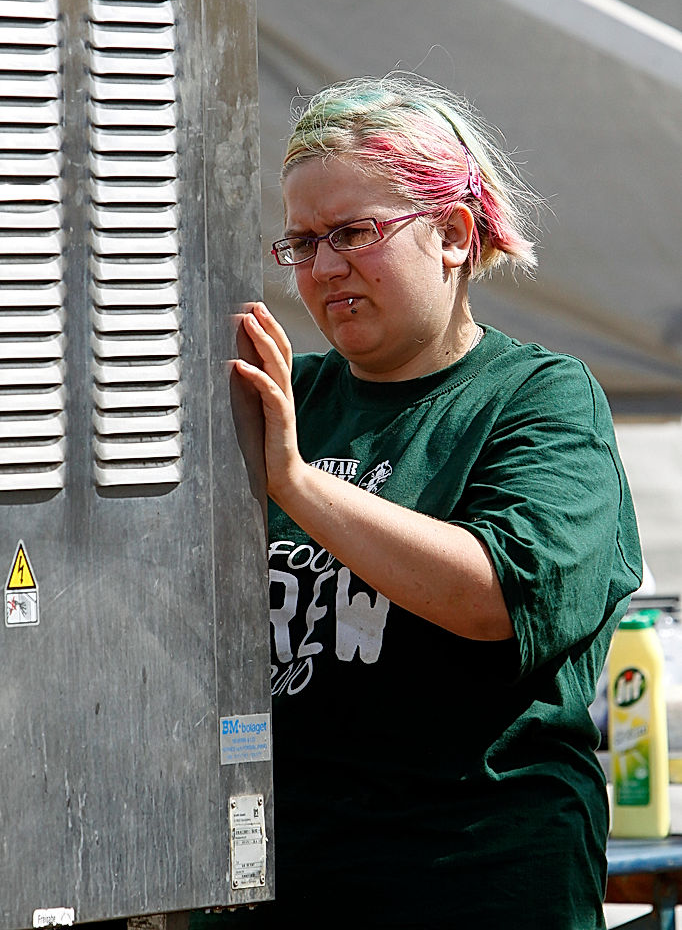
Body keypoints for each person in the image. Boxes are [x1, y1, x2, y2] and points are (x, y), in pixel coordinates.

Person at [229, 76, 642, 928]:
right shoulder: (289, 396)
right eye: (302, 243)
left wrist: (296, 483)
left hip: (475, 881)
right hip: (283, 880)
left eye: (353, 232)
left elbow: (496, 595)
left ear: (453, 234)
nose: (325, 266)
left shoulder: (539, 397)